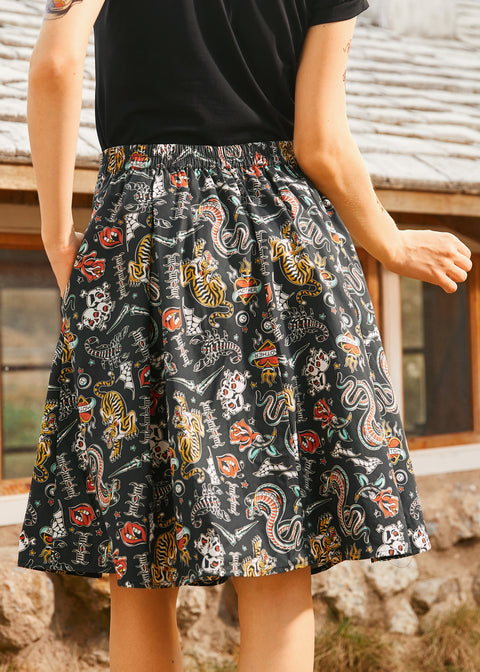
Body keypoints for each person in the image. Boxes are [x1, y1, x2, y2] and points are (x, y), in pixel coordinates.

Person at [18, 1, 472, 671]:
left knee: (140, 559)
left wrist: (58, 236)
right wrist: (391, 243)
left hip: (140, 238)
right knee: (278, 560)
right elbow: (320, 143)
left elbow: (55, 66)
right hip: (279, 246)